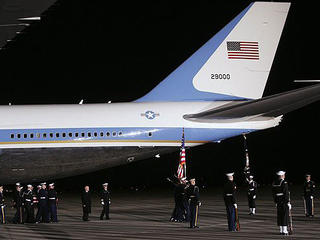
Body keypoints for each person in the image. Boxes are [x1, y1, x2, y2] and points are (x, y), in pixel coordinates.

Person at [272, 170, 291, 235]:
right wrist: (288, 202)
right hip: (283, 201)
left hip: (278, 200)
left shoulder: (274, 182)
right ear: (282, 176)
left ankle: (281, 230)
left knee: (280, 215)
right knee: (285, 215)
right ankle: (284, 231)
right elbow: (285, 193)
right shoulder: (284, 182)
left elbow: (273, 193)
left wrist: (276, 201)